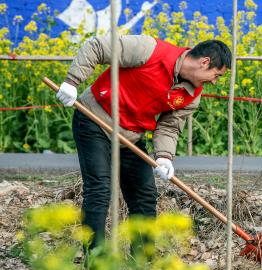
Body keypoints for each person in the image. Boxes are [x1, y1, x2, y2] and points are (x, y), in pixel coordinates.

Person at [55, 34, 231, 252]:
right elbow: (97, 47)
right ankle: (95, 259)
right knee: (100, 188)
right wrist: (72, 82)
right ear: (205, 62)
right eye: (216, 75)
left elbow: (169, 126)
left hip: (131, 136)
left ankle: (142, 259)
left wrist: (164, 156)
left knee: (145, 194)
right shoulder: (150, 50)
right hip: (95, 119)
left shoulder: (192, 95)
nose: (214, 82)